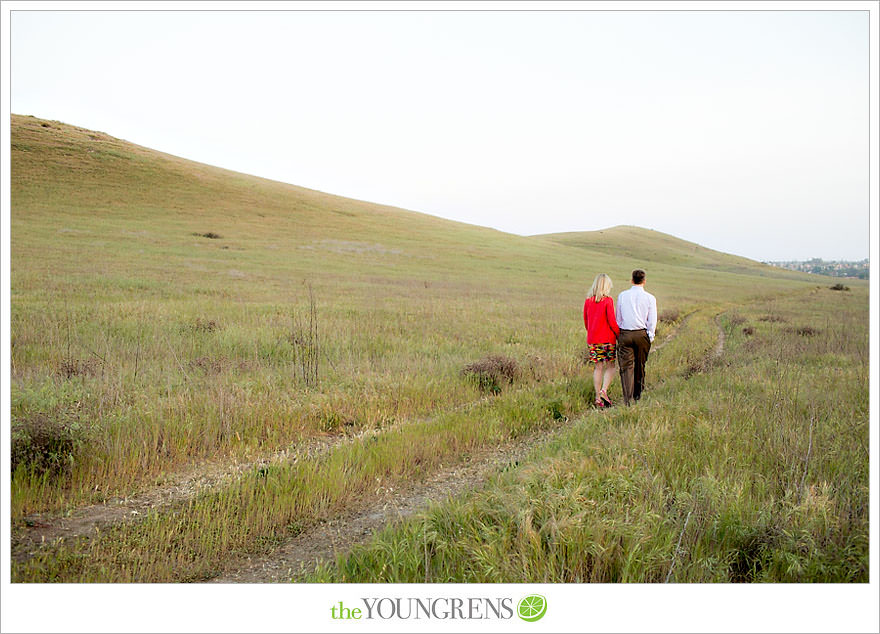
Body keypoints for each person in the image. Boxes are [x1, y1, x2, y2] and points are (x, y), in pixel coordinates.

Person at [615, 269, 657, 405]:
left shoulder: (622, 295)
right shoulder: (650, 298)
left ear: (631, 280)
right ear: (644, 281)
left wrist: (621, 333)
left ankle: (628, 400)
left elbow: (618, 318)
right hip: (642, 334)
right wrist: (650, 336)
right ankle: (638, 396)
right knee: (640, 365)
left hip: (625, 333)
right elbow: (652, 320)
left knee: (626, 368)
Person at [583, 273, 620, 408]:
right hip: (608, 340)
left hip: (593, 340)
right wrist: (619, 334)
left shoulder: (588, 301)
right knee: (610, 366)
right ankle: (604, 390)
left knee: (598, 368)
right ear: (606, 286)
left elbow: (586, 321)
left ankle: (598, 397)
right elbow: (612, 321)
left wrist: (592, 332)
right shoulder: (608, 301)